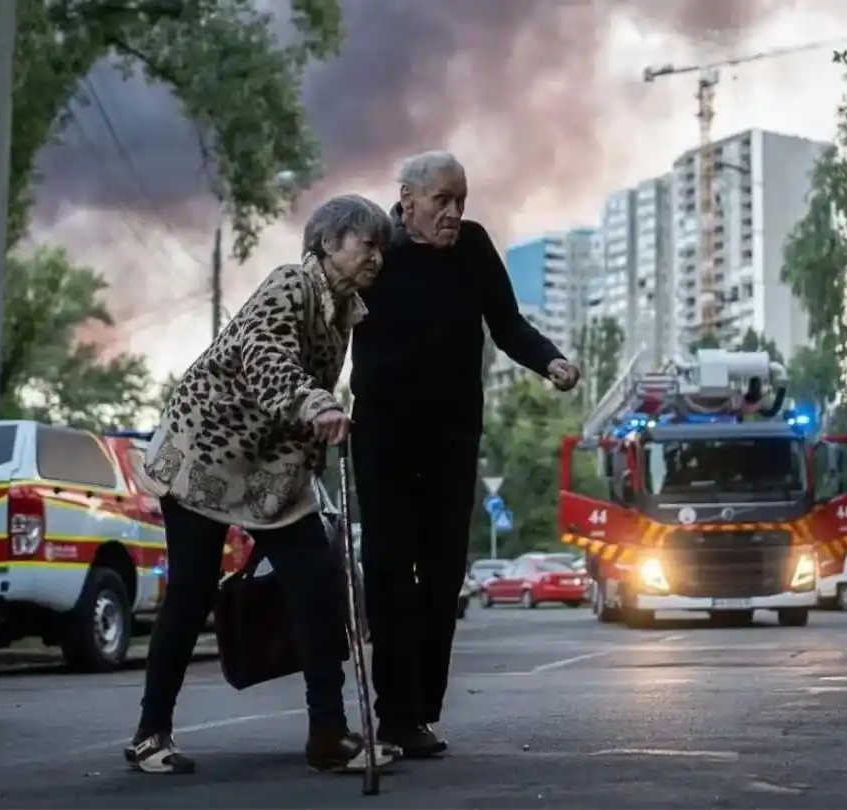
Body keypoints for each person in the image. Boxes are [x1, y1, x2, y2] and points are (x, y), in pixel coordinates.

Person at [126, 194, 396, 775]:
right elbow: (266, 357)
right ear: (328, 243)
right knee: (192, 592)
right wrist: (315, 401)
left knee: (316, 586)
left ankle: (328, 734)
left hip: (272, 473)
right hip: (207, 456)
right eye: (366, 243)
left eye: (381, 247)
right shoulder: (289, 286)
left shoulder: (343, 309)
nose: (376, 256)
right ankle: (151, 735)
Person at [350, 150, 580, 758]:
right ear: (407, 201)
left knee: (445, 572)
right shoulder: (376, 251)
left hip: (452, 438)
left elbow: (506, 324)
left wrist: (549, 360)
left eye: (461, 201)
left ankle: (422, 709)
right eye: (441, 201)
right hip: (384, 438)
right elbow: (328, 320)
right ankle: (394, 713)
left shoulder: (474, 249)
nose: (453, 214)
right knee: (390, 573)